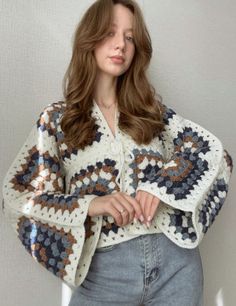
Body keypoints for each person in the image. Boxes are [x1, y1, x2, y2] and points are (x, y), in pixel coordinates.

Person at [2, 0, 233, 305]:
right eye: (110, 32)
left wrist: (164, 185)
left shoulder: (153, 114)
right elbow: (19, 197)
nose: (120, 45)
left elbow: (217, 158)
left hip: (177, 265)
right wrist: (91, 205)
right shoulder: (58, 120)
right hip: (104, 271)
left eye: (129, 37)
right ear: (90, 38)